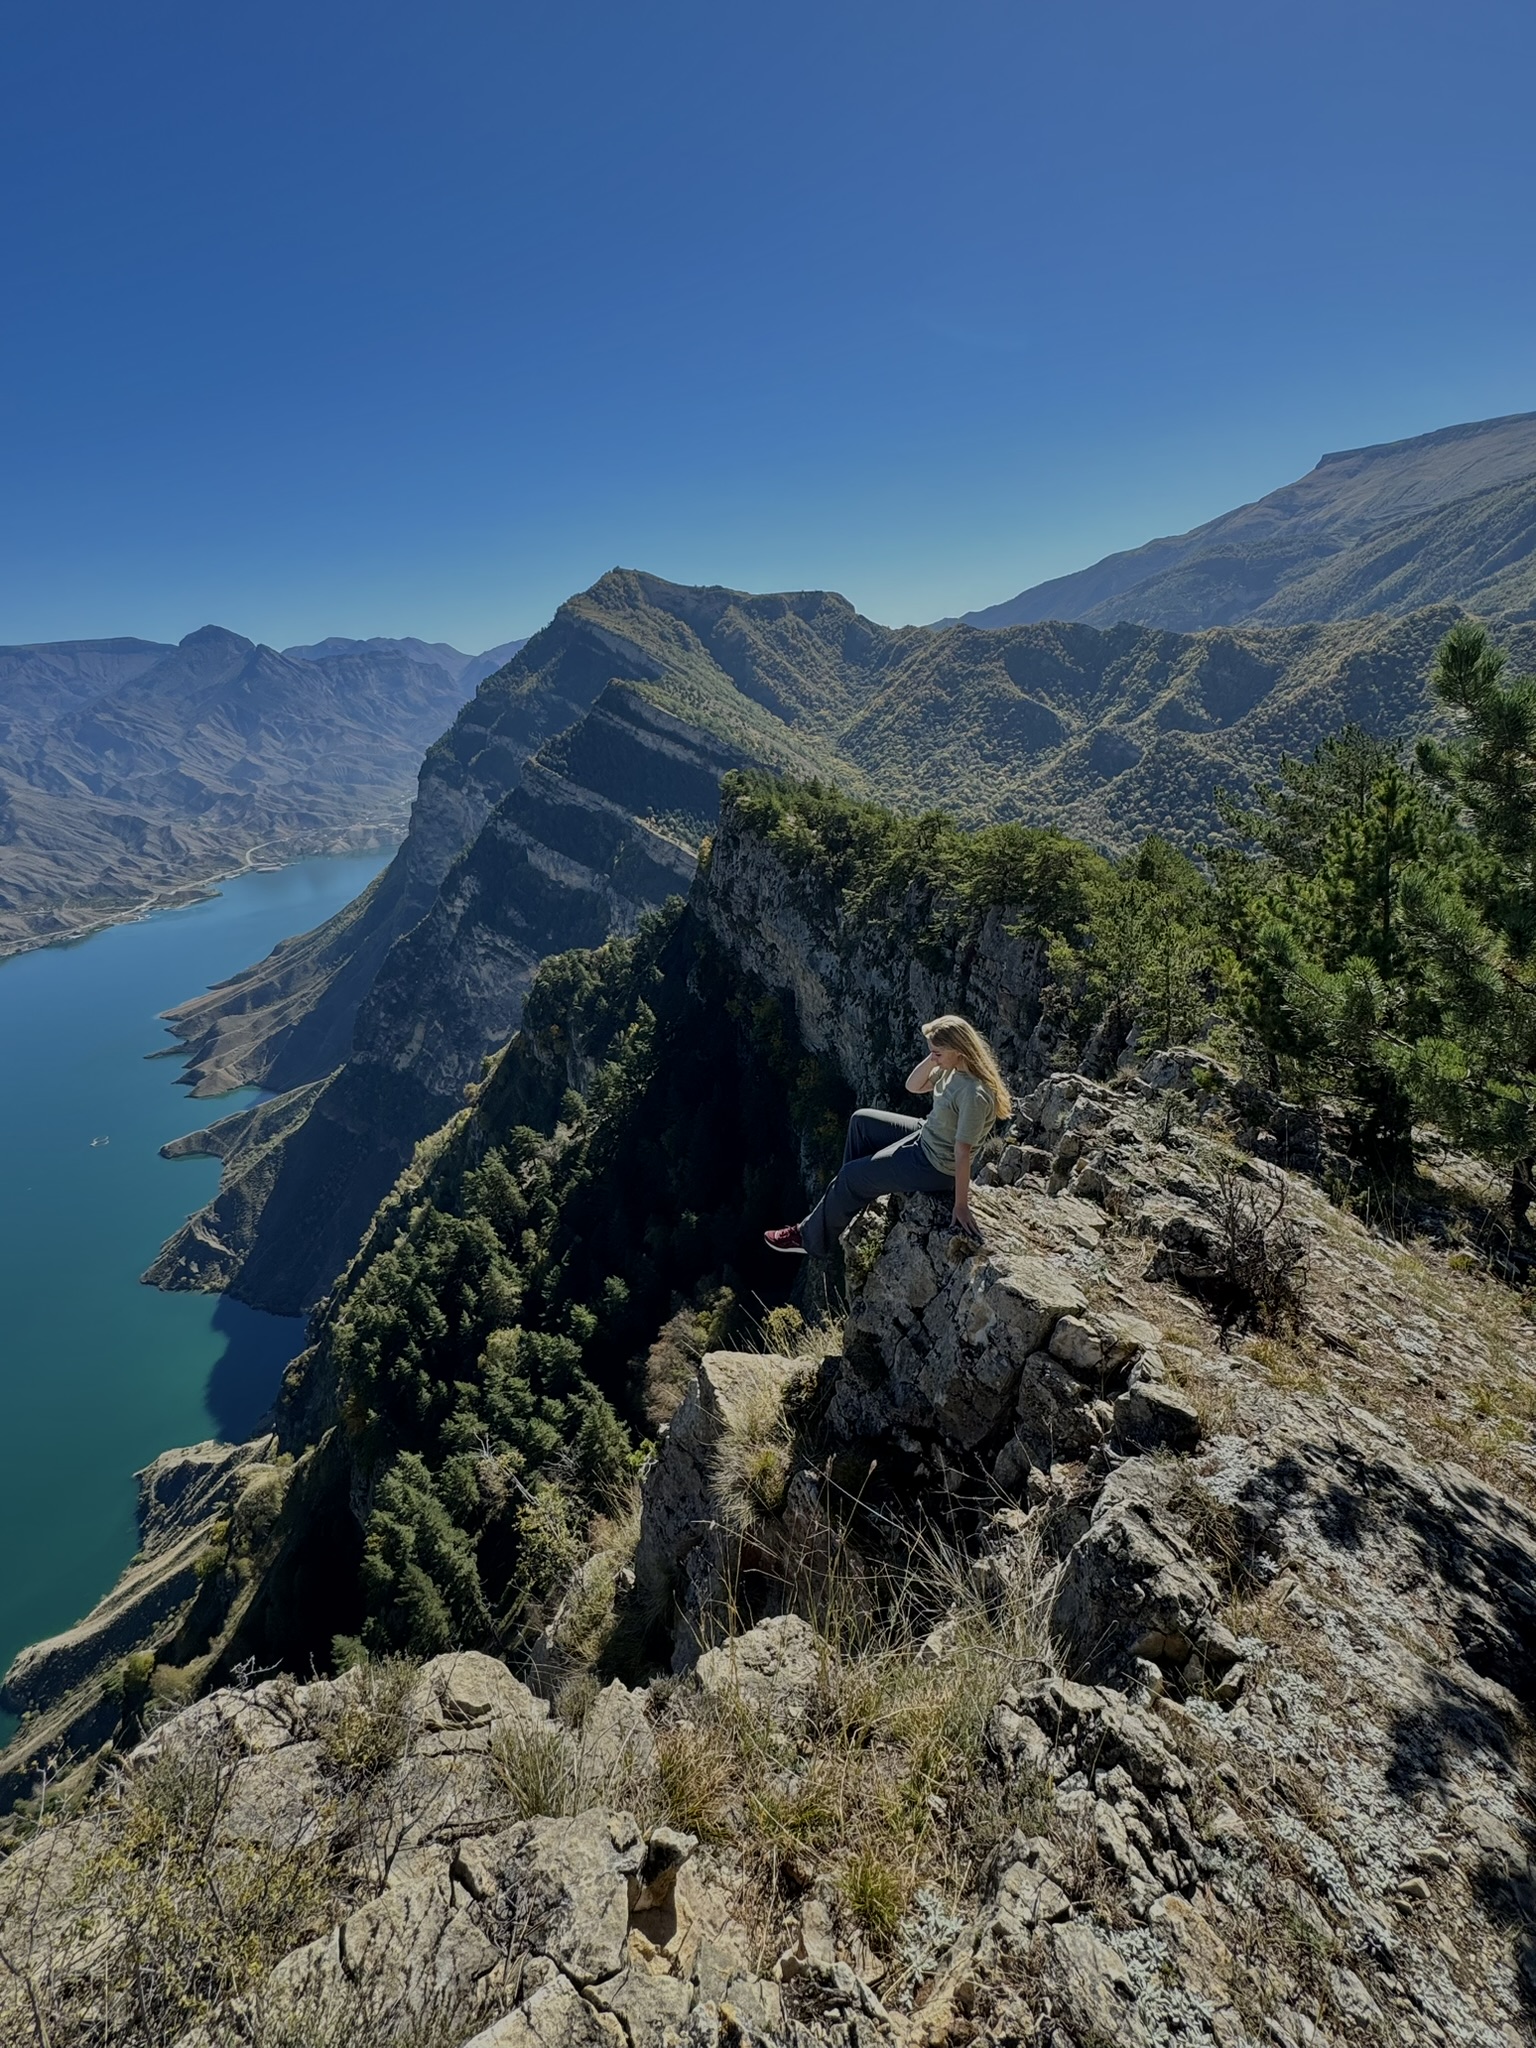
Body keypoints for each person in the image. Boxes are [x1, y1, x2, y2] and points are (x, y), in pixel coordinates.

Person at [765, 1014, 1012, 1257]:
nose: (933, 1057)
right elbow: (913, 1086)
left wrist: (960, 1205)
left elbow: (963, 1151)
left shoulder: (974, 1093)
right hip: (927, 1135)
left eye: (937, 1052)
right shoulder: (952, 1069)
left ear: (959, 1049)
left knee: (850, 1176)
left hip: (935, 1165)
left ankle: (809, 1239)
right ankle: (849, 1198)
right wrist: (933, 1057)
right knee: (861, 1122)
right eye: (932, 1052)